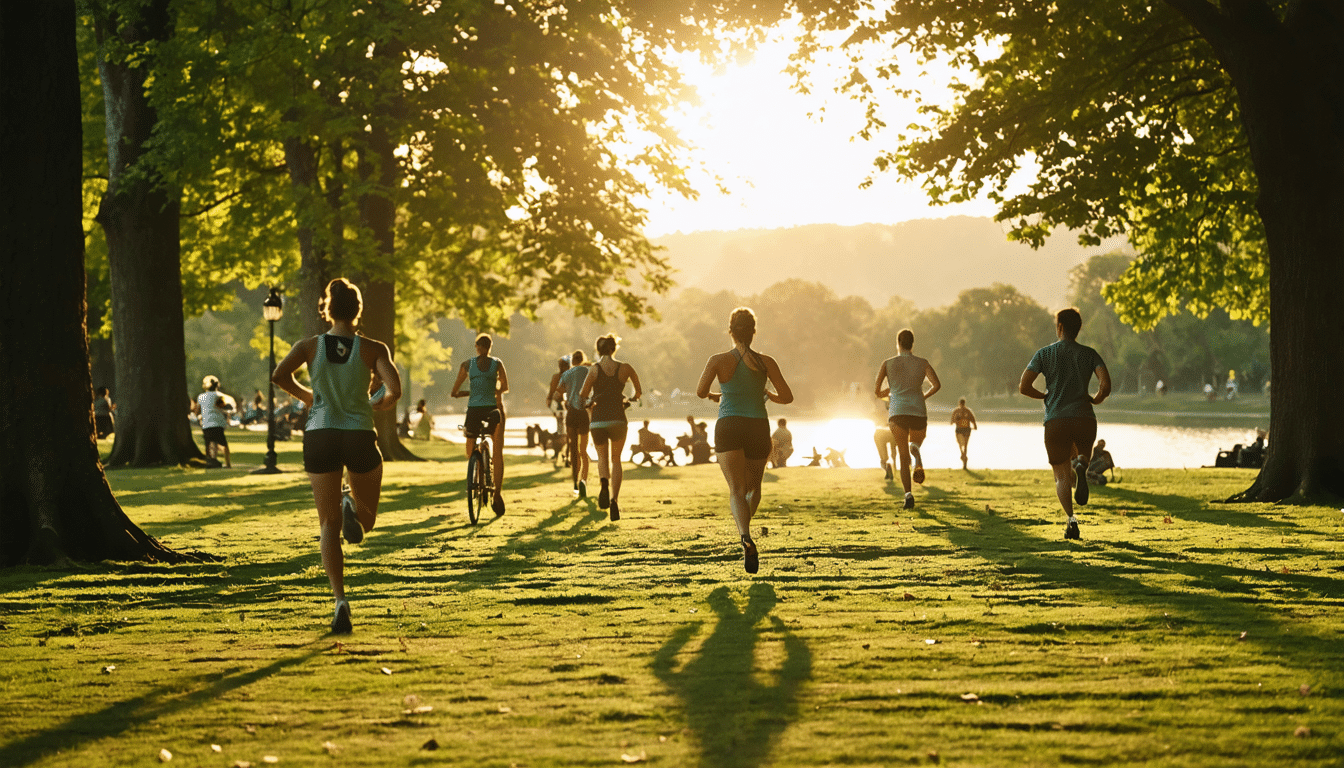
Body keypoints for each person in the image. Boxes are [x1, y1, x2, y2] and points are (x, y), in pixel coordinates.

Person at [272, 278, 401, 634]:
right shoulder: (374, 348)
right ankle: (352, 507)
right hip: (358, 433)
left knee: (327, 524)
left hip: (320, 434)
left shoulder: (309, 346)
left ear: (326, 309)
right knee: (366, 521)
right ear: (358, 310)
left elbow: (280, 376)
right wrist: (375, 403)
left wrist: (311, 398)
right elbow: (395, 390)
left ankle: (340, 600)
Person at [697, 307, 793, 574]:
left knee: (736, 490)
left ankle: (744, 536)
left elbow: (701, 391)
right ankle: (746, 532)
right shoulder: (766, 362)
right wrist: (766, 393)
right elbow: (787, 397)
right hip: (757, 426)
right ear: (753, 332)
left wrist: (722, 394)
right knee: (754, 488)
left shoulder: (717, 360)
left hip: (728, 425)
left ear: (730, 331)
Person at [1019, 307, 1111, 541]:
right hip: (1084, 418)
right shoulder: (1090, 354)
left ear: (1059, 327)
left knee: (1061, 477)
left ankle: (1071, 521)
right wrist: (1096, 398)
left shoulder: (1044, 354)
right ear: (1078, 328)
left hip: (1056, 420)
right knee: (1081, 455)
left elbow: (1024, 386)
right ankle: (1081, 462)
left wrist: (1044, 396)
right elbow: (1105, 384)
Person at [874, 328, 941, 510]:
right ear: (912, 344)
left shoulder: (887, 364)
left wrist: (891, 392)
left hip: (897, 413)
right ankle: (916, 449)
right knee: (915, 444)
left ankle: (908, 495)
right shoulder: (922, 363)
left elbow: (877, 392)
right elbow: (936, 385)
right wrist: (923, 397)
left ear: (898, 343)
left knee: (903, 457)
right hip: (918, 410)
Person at [580, 334, 642, 521]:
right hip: (618, 419)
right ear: (614, 348)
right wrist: (629, 400)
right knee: (616, 459)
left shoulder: (594, 370)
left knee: (601, 457)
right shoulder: (626, 368)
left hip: (598, 420)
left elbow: (583, 394)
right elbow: (638, 392)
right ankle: (614, 500)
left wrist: (590, 401)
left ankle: (604, 485)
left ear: (598, 350)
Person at [451, 333, 509, 516]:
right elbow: (505, 387)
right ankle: (497, 495)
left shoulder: (466, 365)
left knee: (470, 448)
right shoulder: (497, 364)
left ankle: (477, 462)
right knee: (498, 452)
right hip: (492, 409)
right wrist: (492, 389)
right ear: (490, 346)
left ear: (477, 346)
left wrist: (471, 391)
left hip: (474, 411)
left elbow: (455, 391)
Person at [558, 349, 592, 497]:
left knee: (573, 450)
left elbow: (559, 391)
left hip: (571, 414)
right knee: (583, 451)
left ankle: (575, 484)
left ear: (572, 361)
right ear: (583, 359)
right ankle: (583, 480)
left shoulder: (566, 374)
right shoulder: (587, 371)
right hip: (583, 413)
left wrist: (566, 398)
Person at [192, 375, 235, 468]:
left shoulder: (201, 397)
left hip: (206, 424)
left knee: (210, 443)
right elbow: (223, 406)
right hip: (218, 423)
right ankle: (228, 463)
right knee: (223, 444)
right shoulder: (219, 396)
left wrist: (199, 416)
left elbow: (197, 410)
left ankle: (212, 461)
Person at [950, 397, 979, 470]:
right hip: (959, 430)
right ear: (959, 404)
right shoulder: (956, 411)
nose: (962, 406)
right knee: (960, 444)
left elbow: (973, 419)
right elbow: (952, 421)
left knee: (965, 445)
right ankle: (963, 455)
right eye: (961, 404)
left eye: (963, 404)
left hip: (966, 430)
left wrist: (975, 426)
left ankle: (964, 458)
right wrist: (955, 420)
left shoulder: (968, 411)